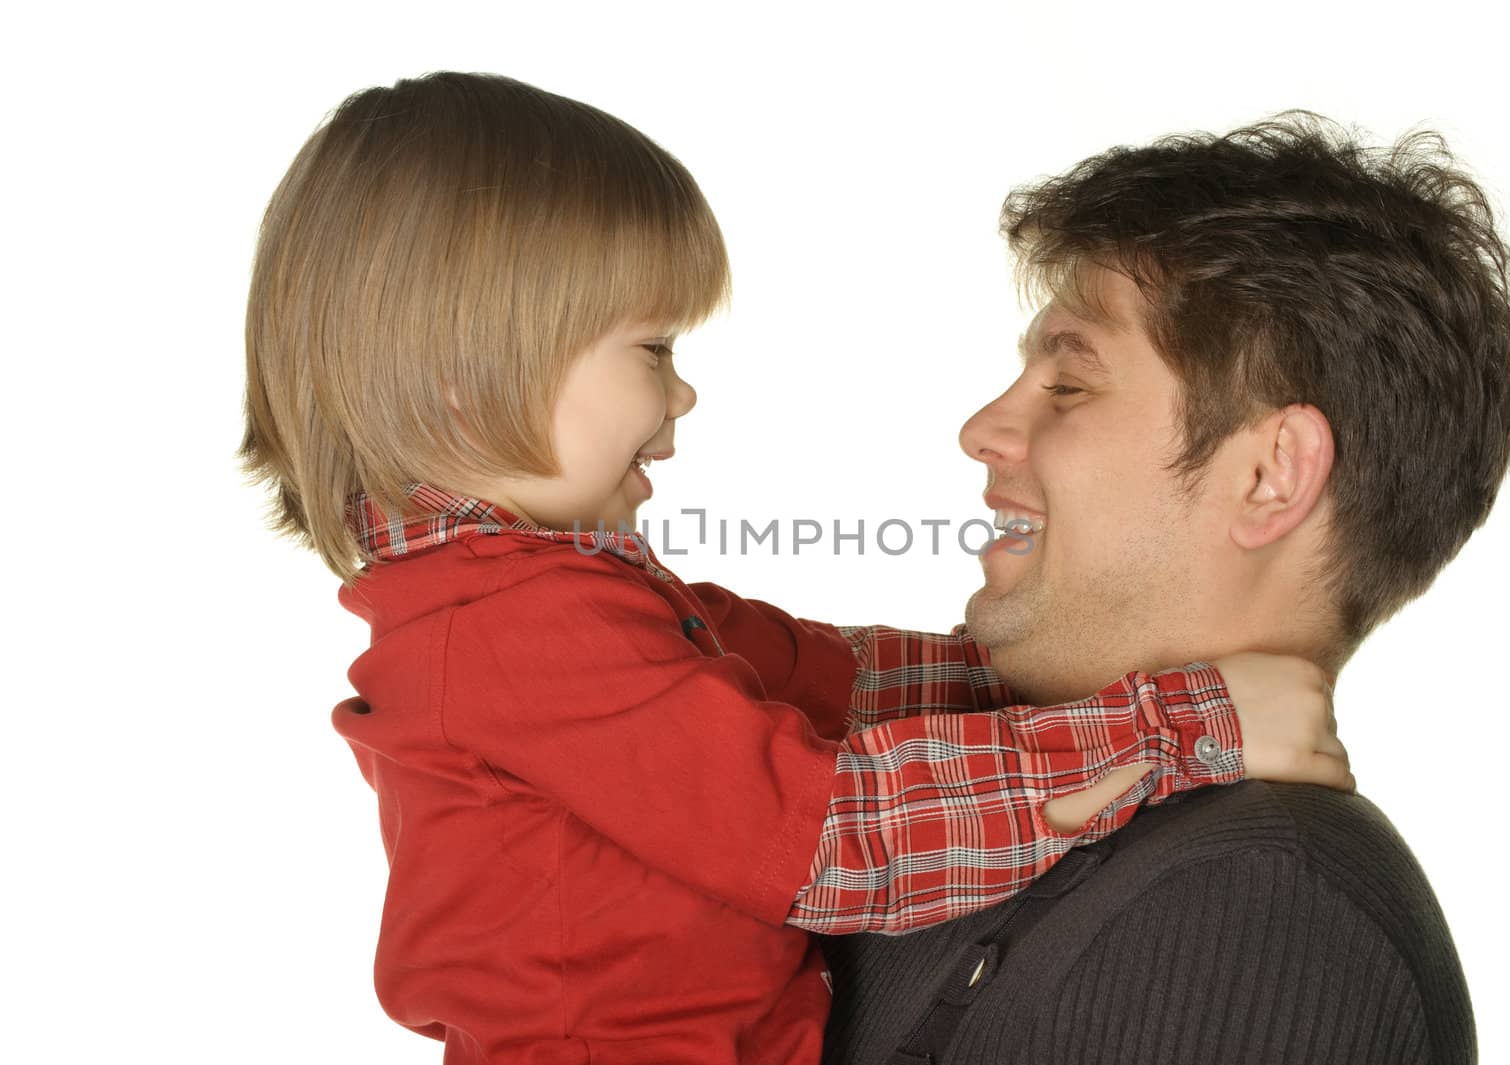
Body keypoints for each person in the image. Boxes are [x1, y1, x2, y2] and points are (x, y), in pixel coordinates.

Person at [238, 73, 1351, 1064]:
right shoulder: (516, 633)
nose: (680, 397)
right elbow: (836, 836)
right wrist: (1177, 722)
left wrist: (1089, 673)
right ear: (466, 373)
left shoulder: (555, 598)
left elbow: (832, 681)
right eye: (652, 350)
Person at [820, 113, 1510, 1064]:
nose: (982, 429)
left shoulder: (1272, 916)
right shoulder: (952, 812)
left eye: (1069, 385)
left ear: (1270, 473)